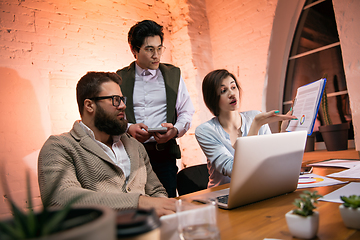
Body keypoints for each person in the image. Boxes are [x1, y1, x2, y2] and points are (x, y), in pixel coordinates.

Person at [38, 71, 176, 217]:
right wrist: (139, 202)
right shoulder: (59, 147)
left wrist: (165, 212)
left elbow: (156, 191)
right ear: (89, 105)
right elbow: (60, 198)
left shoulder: (135, 146)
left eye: (122, 99)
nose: (123, 106)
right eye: (115, 100)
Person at [117, 20, 194, 197]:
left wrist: (174, 131)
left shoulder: (173, 74)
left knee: (167, 204)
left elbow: (186, 110)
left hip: (164, 155)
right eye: (150, 49)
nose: (156, 55)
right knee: (135, 205)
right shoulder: (119, 78)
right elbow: (114, 115)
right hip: (130, 156)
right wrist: (129, 128)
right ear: (134, 50)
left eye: (160, 48)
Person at [195, 69, 297, 188]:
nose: (232, 94)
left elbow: (271, 159)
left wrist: (284, 131)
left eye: (233, 87)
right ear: (213, 98)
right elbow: (235, 171)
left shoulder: (254, 116)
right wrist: (256, 126)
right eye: (223, 91)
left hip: (257, 187)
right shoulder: (205, 131)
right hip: (224, 193)